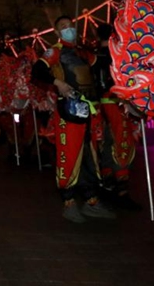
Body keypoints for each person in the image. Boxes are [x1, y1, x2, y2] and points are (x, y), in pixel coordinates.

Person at [32, 15, 115, 223]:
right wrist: (57, 82)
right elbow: (37, 70)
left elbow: (104, 64)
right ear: (58, 33)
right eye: (63, 27)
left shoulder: (83, 53)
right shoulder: (55, 51)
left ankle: (91, 202)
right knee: (69, 154)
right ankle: (68, 203)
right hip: (69, 110)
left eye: (71, 26)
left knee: (90, 155)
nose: (69, 29)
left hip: (90, 111)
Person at [91, 23, 142, 211]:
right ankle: (122, 192)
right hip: (115, 102)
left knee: (104, 143)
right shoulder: (119, 57)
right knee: (122, 143)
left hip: (98, 106)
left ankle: (107, 185)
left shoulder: (93, 57)